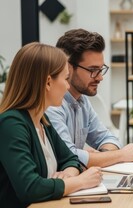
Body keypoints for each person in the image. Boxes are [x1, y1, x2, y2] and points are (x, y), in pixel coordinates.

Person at [0, 43, 102, 207]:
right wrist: (81, 181)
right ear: (48, 82)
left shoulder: (41, 120)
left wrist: (67, 175)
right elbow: (30, 188)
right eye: (66, 79)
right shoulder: (11, 124)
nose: (68, 86)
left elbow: (71, 159)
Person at [46, 29, 133, 168]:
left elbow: (109, 139)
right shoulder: (52, 105)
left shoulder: (82, 101)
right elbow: (68, 155)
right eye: (92, 70)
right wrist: (120, 155)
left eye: (101, 69)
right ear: (68, 68)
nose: (100, 77)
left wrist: (98, 157)